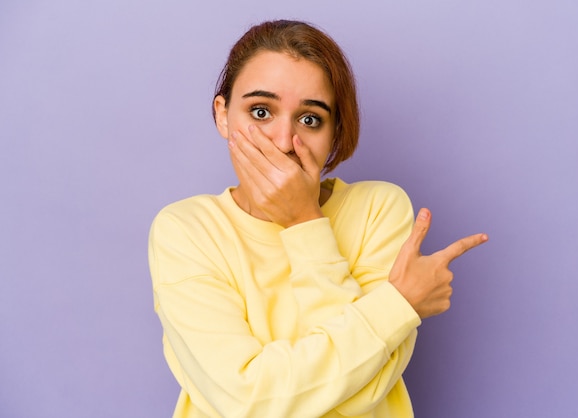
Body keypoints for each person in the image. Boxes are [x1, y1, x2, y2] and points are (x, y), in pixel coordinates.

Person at [148, 19, 488, 418]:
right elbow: (247, 400)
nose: (282, 141)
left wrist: (303, 221)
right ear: (223, 115)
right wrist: (399, 305)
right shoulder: (186, 230)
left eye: (310, 119)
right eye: (260, 111)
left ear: (334, 133)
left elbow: (368, 390)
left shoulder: (379, 209)